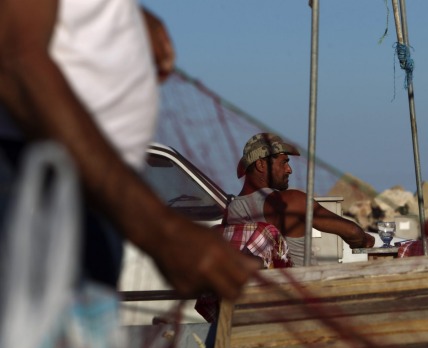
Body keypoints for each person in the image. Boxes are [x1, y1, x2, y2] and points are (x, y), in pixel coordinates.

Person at [0, 0, 254, 298]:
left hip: (86, 192)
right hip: (36, 184)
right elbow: (15, 59)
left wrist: (125, 18)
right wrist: (163, 231)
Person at [225, 133, 375, 266]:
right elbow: (353, 232)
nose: (289, 169)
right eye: (284, 162)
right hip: (304, 288)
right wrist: (366, 239)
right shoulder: (290, 201)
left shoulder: (231, 211)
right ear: (261, 165)